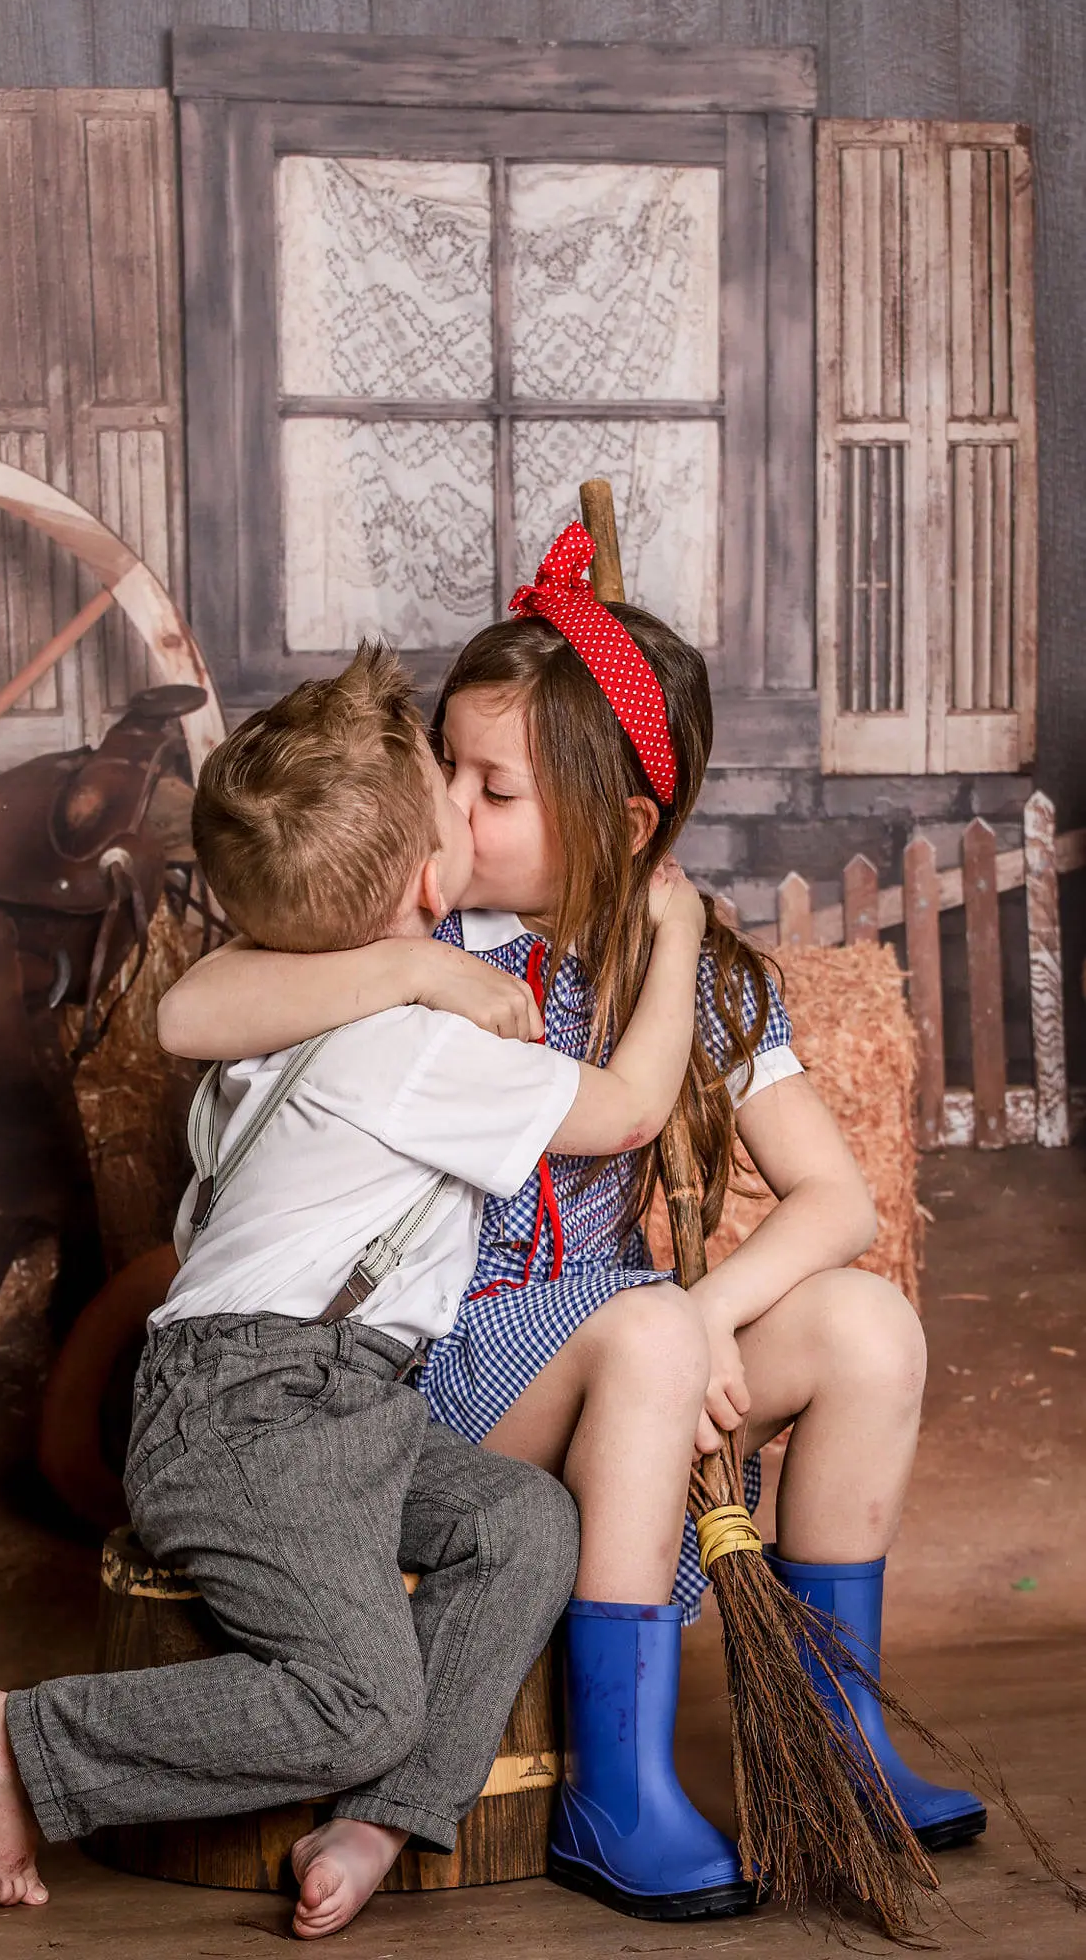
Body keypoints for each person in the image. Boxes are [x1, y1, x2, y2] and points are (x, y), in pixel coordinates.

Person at [162, 525, 986, 1922]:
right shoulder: (407, 934)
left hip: (627, 1343)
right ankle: (620, 1788)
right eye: (448, 769)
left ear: (624, 825)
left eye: (493, 789)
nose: (449, 811)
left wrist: (706, 1315)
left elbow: (837, 1203)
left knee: (866, 1328)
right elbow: (192, 1012)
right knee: (649, 1327)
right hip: (431, 1373)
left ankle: (838, 1737)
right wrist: (408, 975)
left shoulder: (687, 977)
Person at [0, 641, 711, 1939]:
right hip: (253, 1409)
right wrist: (679, 933)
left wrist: (421, 965)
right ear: (425, 883)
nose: (464, 805)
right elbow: (631, 1110)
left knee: (524, 1526)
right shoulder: (415, 1048)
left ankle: (385, 1814)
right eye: (446, 790)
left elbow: (203, 1008)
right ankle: (26, 1745)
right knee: (354, 1698)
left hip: (339, 1404)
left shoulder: (305, 999)